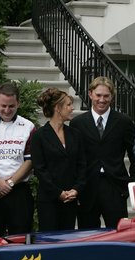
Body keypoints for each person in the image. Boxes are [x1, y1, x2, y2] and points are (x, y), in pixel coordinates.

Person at [70, 76, 135, 229]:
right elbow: (73, 158)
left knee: (118, 235)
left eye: (106, 96)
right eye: (98, 95)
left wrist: (131, 183)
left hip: (115, 187)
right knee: (87, 235)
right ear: (90, 94)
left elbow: (134, 155)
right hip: (87, 186)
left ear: (112, 97)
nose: (102, 100)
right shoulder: (77, 123)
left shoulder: (123, 121)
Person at [0, 83, 36, 236]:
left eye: (12, 106)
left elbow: (30, 160)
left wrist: (9, 183)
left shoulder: (28, 126)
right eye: (3, 105)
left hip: (18, 189)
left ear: (19, 103)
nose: (7, 110)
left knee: (21, 237)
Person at [31, 88, 86, 231]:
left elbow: (82, 164)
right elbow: (39, 169)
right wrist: (58, 193)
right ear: (57, 108)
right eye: (68, 105)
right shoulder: (39, 136)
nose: (72, 108)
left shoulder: (75, 134)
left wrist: (76, 189)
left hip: (71, 198)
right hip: (49, 199)